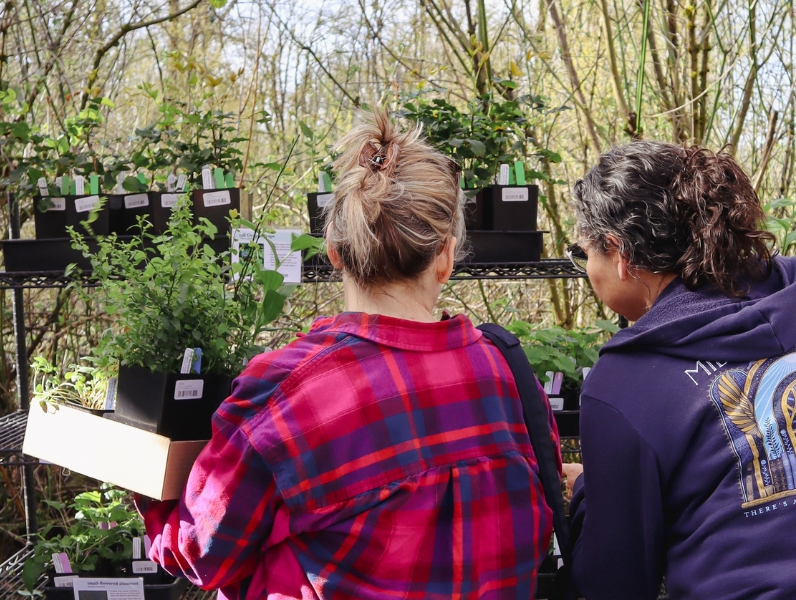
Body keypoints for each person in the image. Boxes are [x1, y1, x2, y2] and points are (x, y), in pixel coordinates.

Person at [136, 110, 558, 598]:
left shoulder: (287, 395)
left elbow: (200, 552)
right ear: (445, 257)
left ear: (334, 250)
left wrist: (142, 477)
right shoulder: (509, 378)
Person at [564, 141, 796, 598]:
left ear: (618, 253)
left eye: (583, 253)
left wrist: (591, 497)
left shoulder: (625, 384)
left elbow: (615, 581)